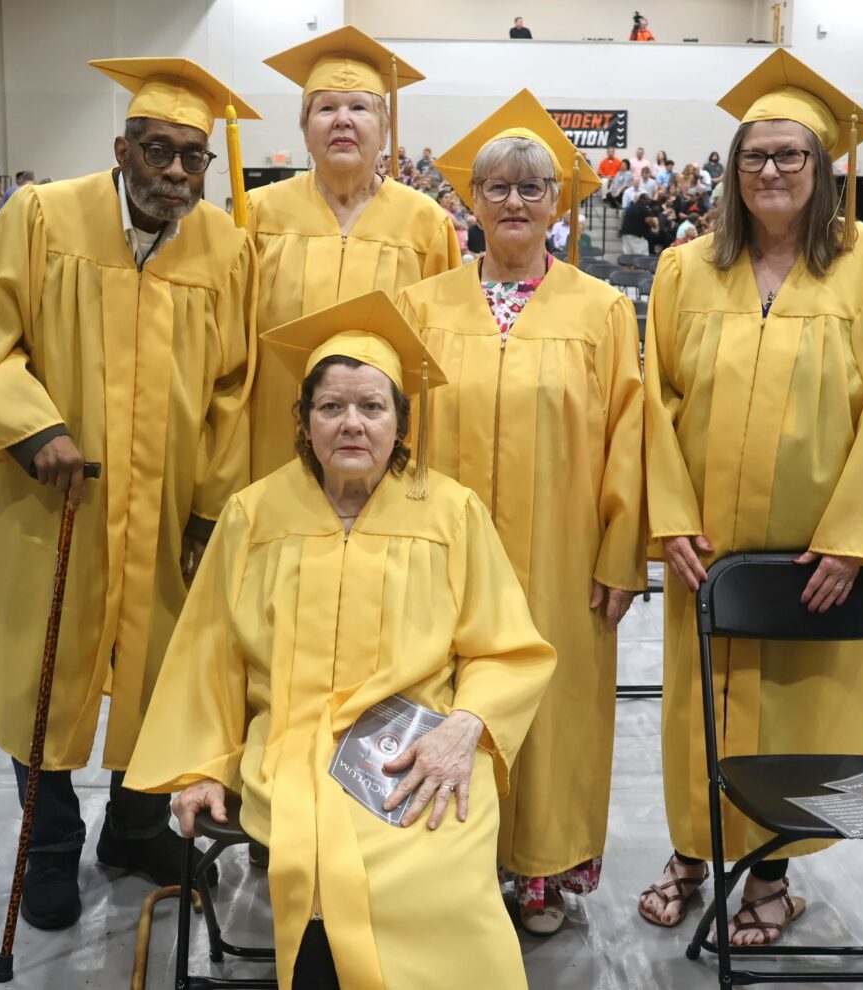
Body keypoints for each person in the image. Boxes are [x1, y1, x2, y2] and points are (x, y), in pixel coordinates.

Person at [125, 289, 557, 989]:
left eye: (372, 407)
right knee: (315, 867)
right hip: (290, 749)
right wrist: (204, 765)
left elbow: (506, 647)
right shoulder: (254, 514)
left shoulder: (450, 512)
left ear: (399, 423)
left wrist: (465, 728)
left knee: (445, 870)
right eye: (331, 407)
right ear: (303, 421)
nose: (351, 424)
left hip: (420, 745)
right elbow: (208, 655)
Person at [0, 56, 260, 932]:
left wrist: (210, 504)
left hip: (166, 514)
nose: (175, 173)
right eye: (157, 152)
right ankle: (49, 848)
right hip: (56, 504)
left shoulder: (225, 247)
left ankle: (133, 829)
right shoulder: (42, 219)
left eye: (192, 158)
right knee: (35, 677)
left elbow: (235, 388)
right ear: (120, 149)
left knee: (162, 675)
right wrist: (34, 426)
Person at [640, 48, 863, 946]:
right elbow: (652, 400)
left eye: (791, 155)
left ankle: (771, 870)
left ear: (823, 169)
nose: (771, 171)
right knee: (699, 702)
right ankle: (691, 852)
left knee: (799, 716)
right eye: (754, 156)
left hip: (821, 557)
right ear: (732, 171)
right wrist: (671, 518)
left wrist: (855, 538)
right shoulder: (684, 269)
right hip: (710, 546)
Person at [398, 89, 646, 936]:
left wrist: (620, 554)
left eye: (532, 188)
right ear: (471, 200)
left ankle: (539, 873)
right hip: (443, 551)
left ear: (558, 203)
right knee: (447, 691)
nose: (513, 201)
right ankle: (453, 866)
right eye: (497, 186)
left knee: (551, 703)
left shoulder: (603, 309)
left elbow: (629, 435)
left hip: (561, 552)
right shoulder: (424, 305)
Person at [248, 26, 461, 480]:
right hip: (271, 444)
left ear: (384, 131)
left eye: (359, 108)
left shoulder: (425, 224)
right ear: (305, 130)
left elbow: (435, 357)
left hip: (387, 454)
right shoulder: (259, 214)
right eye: (325, 108)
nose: (342, 120)